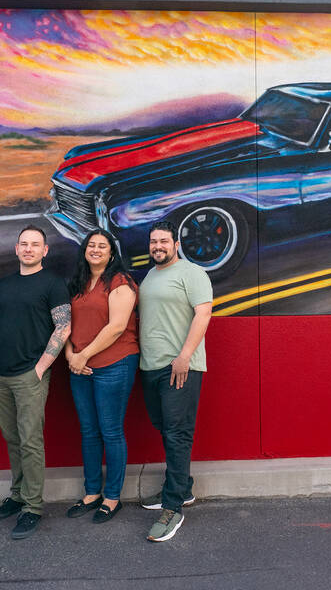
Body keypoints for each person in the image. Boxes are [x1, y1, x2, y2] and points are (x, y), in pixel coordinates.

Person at [0, 225, 71, 539]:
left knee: (30, 441)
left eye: (35, 244)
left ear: (45, 250)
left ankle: (32, 507)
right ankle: (17, 495)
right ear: (16, 249)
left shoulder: (53, 284)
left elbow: (63, 327)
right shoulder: (4, 285)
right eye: (24, 244)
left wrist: (41, 367)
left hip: (28, 375)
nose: (29, 249)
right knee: (13, 438)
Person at [137, 220, 213, 542]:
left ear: (176, 244)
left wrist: (184, 357)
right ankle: (181, 488)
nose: (158, 247)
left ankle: (173, 508)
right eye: (153, 242)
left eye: (163, 242)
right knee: (164, 427)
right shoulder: (150, 275)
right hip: (150, 367)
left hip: (180, 367)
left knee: (177, 434)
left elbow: (203, 313)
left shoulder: (192, 273)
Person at [64, 228, 139, 524]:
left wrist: (83, 355)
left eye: (102, 246)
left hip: (115, 363)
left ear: (111, 253)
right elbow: (66, 323)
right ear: (85, 250)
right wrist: (71, 355)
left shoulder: (121, 282)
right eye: (91, 245)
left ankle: (112, 497)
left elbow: (117, 326)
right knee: (88, 432)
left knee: (110, 431)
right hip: (79, 367)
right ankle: (92, 492)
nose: (96, 249)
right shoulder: (80, 282)